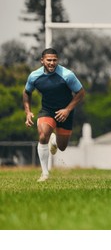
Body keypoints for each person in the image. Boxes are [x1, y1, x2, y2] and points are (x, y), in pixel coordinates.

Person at [23, 48, 85, 182]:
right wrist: (28, 112)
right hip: (47, 110)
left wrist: (67, 110)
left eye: (54, 60)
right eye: (49, 60)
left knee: (62, 147)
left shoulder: (67, 75)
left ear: (58, 60)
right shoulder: (34, 76)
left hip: (65, 112)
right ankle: (45, 173)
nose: (52, 63)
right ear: (42, 61)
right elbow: (27, 92)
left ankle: (54, 141)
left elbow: (80, 93)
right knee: (43, 134)